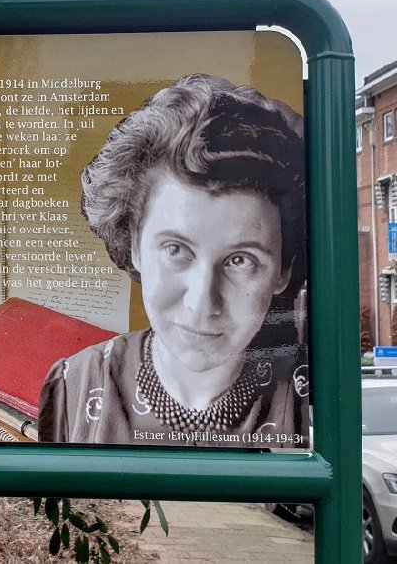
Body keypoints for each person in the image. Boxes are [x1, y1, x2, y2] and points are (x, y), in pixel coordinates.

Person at [38, 74, 309, 447]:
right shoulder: (74, 383)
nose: (202, 303)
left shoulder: (316, 400)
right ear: (135, 246)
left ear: (284, 270)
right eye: (176, 250)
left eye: (240, 260)